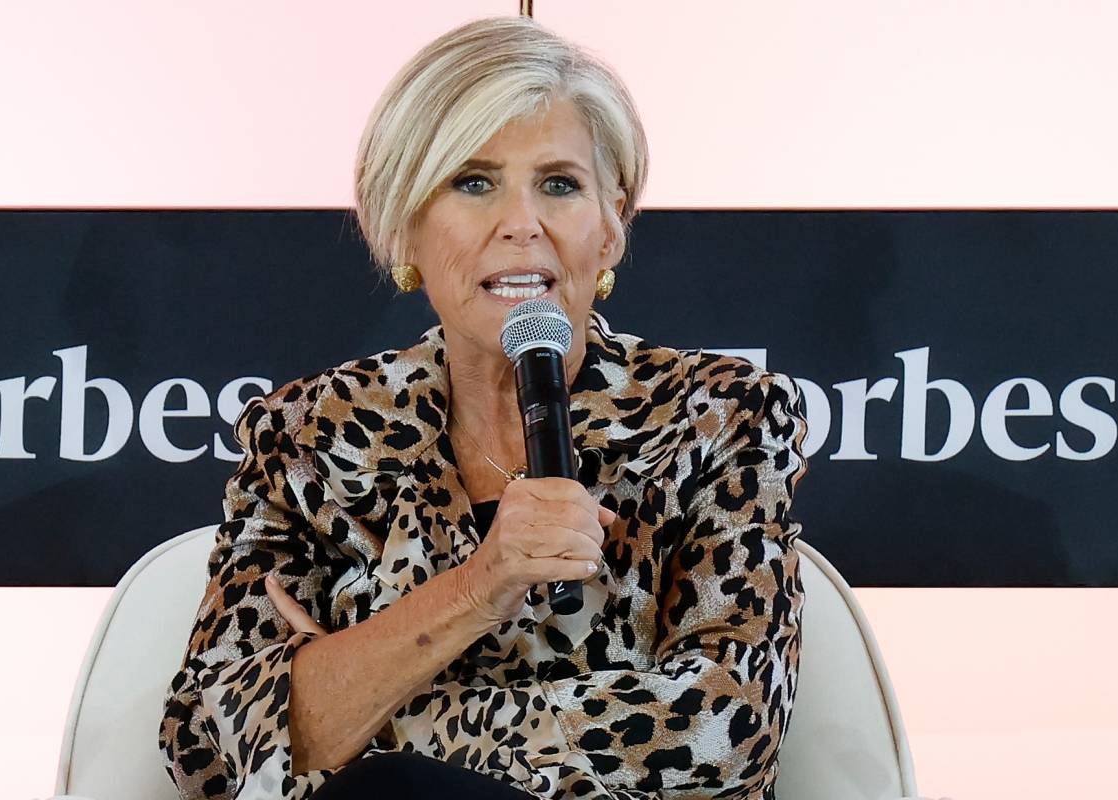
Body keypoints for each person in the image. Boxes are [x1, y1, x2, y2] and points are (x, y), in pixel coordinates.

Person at [160, 15, 808, 800]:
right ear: (404, 223)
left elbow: (721, 733)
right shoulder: (309, 438)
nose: (522, 224)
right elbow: (208, 744)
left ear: (610, 228)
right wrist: (479, 585)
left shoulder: (716, 417)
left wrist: (351, 708)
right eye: (474, 181)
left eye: (560, 185)